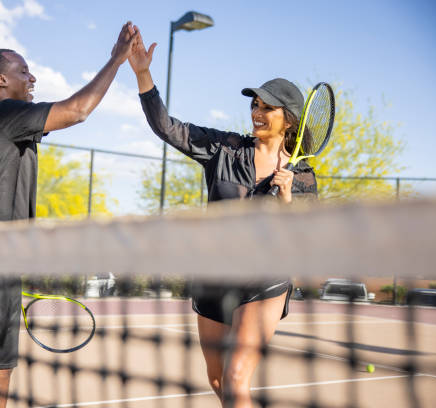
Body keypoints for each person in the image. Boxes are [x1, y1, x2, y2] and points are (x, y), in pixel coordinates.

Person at [0, 22, 138, 408]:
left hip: (1, 263)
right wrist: (117, 59)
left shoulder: (6, 122)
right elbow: (77, 111)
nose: (32, 77)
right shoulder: (1, 114)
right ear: (1, 80)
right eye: (23, 71)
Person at [127, 26, 317, 408]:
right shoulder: (224, 149)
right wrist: (143, 74)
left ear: (289, 120)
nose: (257, 113)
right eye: (255, 105)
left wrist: (286, 198)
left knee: (234, 378)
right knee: (217, 379)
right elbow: (167, 127)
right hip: (213, 275)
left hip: (266, 279)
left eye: (267, 107)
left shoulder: (304, 178)